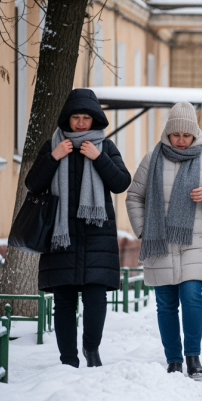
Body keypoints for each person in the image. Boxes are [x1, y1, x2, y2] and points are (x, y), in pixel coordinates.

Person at [125, 102, 202, 378]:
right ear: (167, 134)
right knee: (166, 303)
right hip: (159, 243)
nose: (182, 141)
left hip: (195, 241)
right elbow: (134, 197)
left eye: (187, 135)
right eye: (176, 135)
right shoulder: (152, 159)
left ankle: (193, 357)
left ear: (195, 134)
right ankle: (173, 359)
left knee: (192, 297)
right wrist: (143, 230)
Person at [25, 89, 132, 368]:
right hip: (61, 236)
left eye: (86, 117)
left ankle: (91, 349)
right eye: (76, 117)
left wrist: (99, 157)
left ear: (95, 119)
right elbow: (33, 184)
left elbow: (121, 182)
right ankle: (68, 360)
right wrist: (53, 157)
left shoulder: (104, 147)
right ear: (67, 119)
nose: (81, 123)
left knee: (96, 298)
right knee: (64, 300)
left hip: (97, 235)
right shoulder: (54, 145)